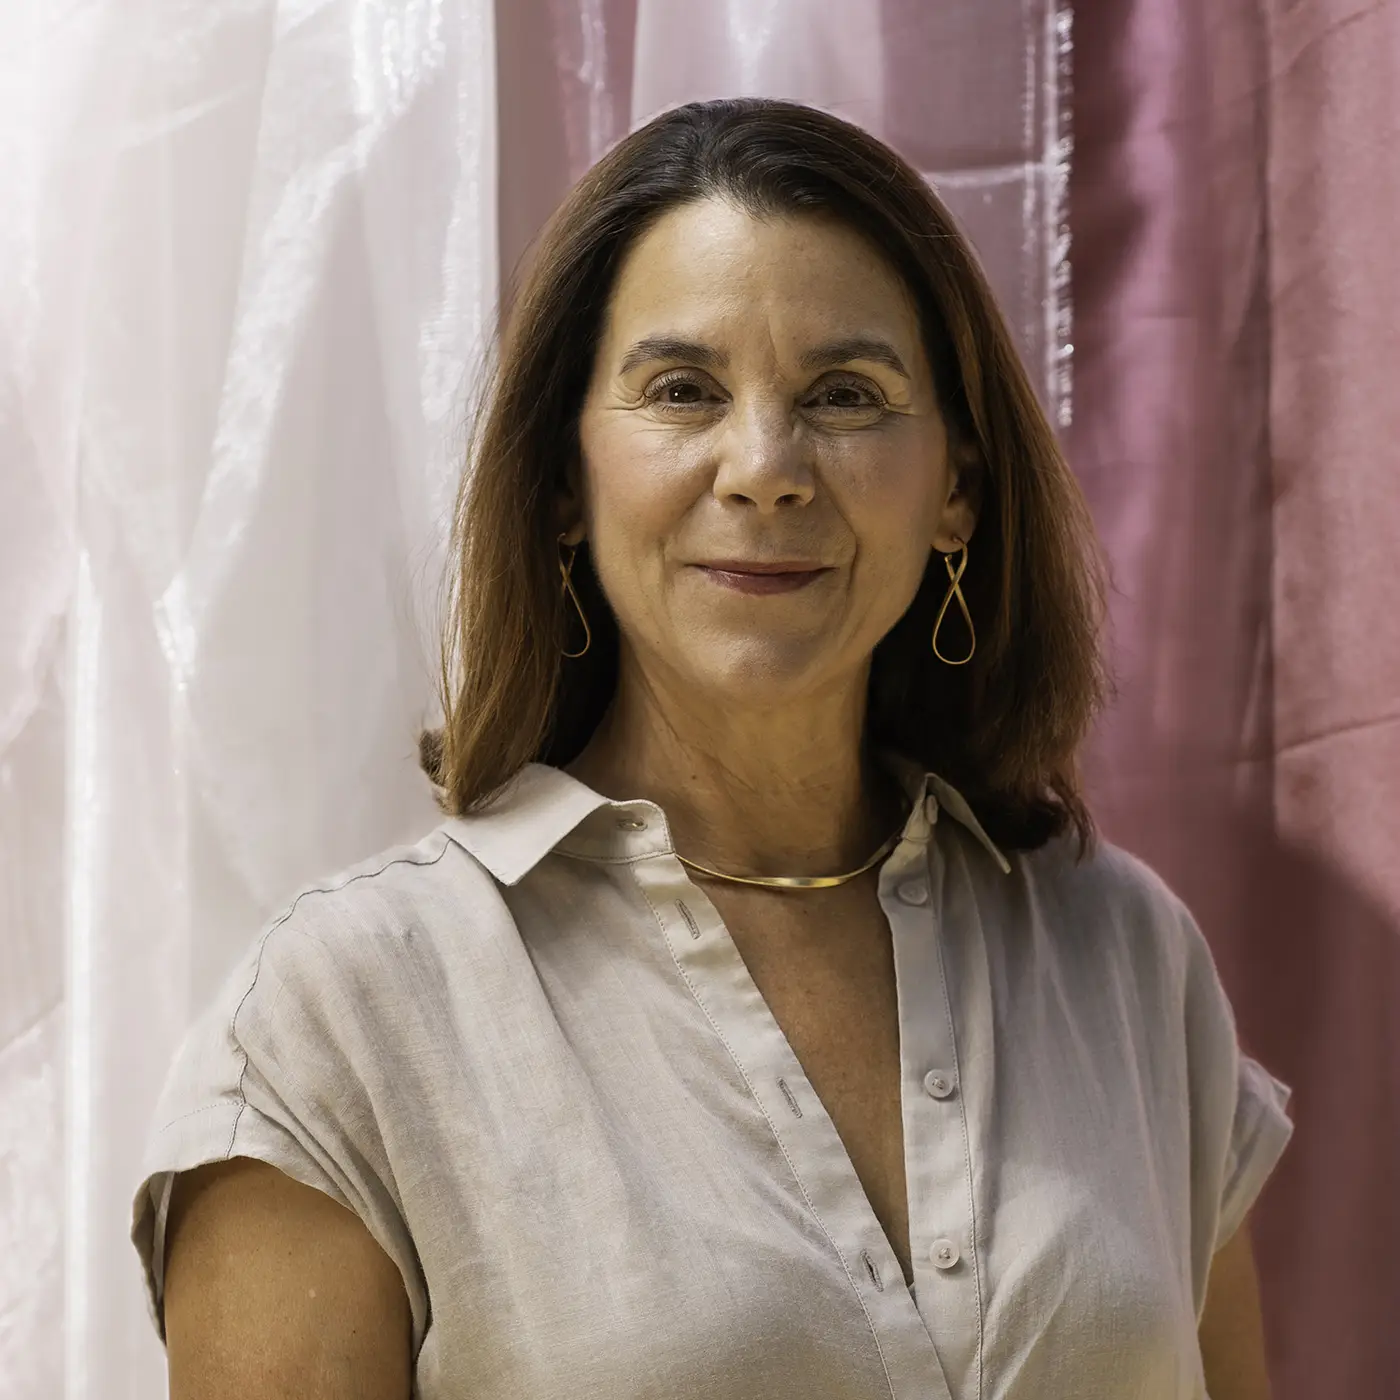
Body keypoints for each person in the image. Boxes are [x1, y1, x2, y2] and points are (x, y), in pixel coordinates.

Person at [130, 98, 1293, 1400]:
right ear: (567, 480)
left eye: (846, 394)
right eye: (682, 390)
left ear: (956, 486)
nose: (766, 466)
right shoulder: (343, 1025)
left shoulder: (1125, 960)